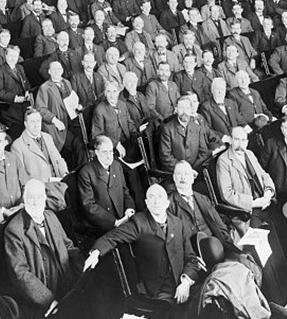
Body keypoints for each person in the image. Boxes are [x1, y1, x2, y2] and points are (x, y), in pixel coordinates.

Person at [83, 184, 203, 317]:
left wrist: (186, 281)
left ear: (167, 203)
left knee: (206, 302)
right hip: (157, 291)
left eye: (160, 197)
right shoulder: (138, 223)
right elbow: (112, 237)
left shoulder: (178, 224)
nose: (156, 201)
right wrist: (96, 252)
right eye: (151, 197)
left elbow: (191, 259)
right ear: (146, 202)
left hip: (182, 284)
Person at [3, 179, 82, 319]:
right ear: (24, 199)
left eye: (39, 197)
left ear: (45, 198)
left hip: (67, 285)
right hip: (44, 298)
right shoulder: (14, 230)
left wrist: (83, 270)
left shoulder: (50, 216)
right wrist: (49, 301)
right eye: (30, 197)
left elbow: (68, 246)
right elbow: (20, 274)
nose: (35, 202)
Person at [215, 126, 275, 234]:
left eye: (243, 140)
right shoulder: (224, 160)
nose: (240, 143)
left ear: (247, 142)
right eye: (236, 139)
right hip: (247, 210)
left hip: (265, 202)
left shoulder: (250, 154)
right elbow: (227, 194)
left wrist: (268, 192)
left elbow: (264, 175)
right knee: (260, 237)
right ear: (231, 140)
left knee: (284, 224)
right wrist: (253, 203)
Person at [11, 107, 68, 211]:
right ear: (25, 124)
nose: (36, 125)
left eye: (38, 121)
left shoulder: (47, 137)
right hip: (40, 193)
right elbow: (22, 178)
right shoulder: (17, 146)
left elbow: (58, 159)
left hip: (57, 185)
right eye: (32, 122)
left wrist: (64, 174)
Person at [166, 161, 234, 247]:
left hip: (216, 245)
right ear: (174, 178)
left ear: (192, 178)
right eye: (179, 174)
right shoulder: (169, 204)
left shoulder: (203, 199)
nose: (183, 177)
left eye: (186, 174)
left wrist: (229, 245)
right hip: (192, 250)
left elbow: (219, 225)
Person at [77, 135, 135, 233]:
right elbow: (89, 206)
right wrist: (114, 222)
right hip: (104, 224)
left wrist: (129, 210)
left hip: (123, 218)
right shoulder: (86, 172)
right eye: (105, 152)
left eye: (111, 151)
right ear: (97, 153)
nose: (109, 156)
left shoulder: (117, 166)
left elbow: (125, 191)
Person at [158, 92, 218, 171]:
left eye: (187, 108)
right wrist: (184, 169)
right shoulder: (168, 129)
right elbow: (166, 157)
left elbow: (203, 153)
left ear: (190, 109)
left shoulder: (197, 128)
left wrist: (193, 169)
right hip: (176, 172)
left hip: (196, 170)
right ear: (176, 110)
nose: (184, 112)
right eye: (181, 108)